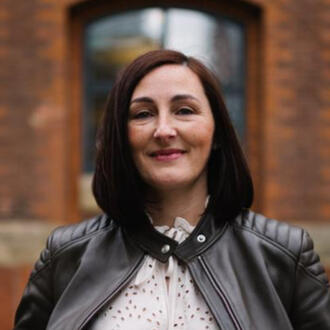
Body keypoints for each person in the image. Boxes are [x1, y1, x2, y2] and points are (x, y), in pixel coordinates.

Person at [14, 49, 330, 330]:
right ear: (121, 138)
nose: (164, 130)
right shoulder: (66, 255)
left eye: (184, 110)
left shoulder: (284, 255)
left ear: (217, 132)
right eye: (143, 114)